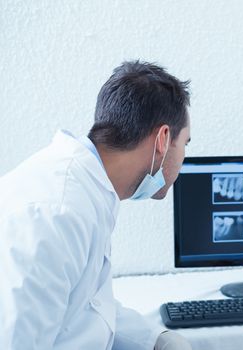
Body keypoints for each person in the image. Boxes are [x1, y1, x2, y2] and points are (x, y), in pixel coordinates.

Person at [0, 61, 193, 350]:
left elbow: (85, 306)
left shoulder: (90, 191)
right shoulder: (56, 211)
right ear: (163, 139)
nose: (183, 158)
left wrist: (155, 340)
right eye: (185, 144)